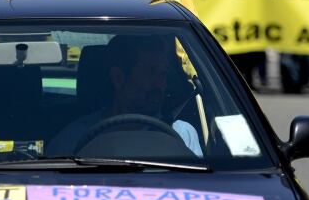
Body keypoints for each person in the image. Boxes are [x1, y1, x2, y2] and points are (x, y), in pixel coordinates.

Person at [48, 35, 203, 157]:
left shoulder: (181, 134)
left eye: (163, 74)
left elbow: (199, 190)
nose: (160, 83)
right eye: (150, 72)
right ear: (118, 78)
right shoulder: (73, 139)